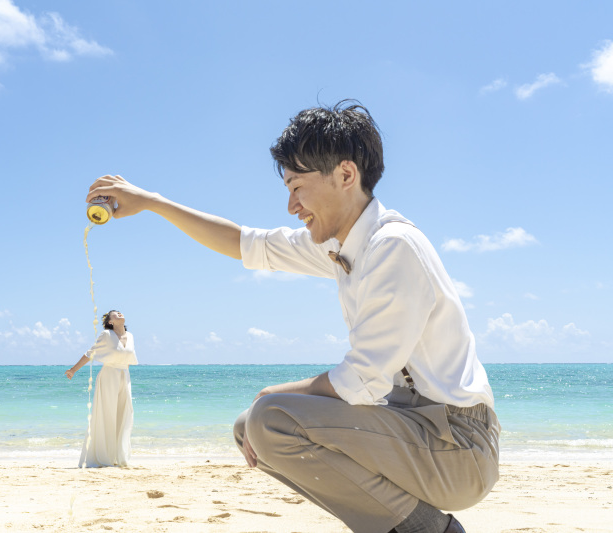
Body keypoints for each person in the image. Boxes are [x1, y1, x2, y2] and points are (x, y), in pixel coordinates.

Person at [85, 100, 499, 533]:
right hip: (416, 425)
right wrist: (151, 203)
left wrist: (271, 393)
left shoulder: (392, 246)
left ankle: (432, 530)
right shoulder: (345, 245)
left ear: (346, 175)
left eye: (297, 187)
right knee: (250, 427)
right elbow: (244, 243)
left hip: (458, 444)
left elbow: (361, 381)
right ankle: (413, 525)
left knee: (270, 418)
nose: (291, 205)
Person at [66, 310, 138, 468]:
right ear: (110, 321)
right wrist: (73, 370)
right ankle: (104, 457)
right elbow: (90, 353)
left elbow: (127, 359)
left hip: (125, 376)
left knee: (125, 415)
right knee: (108, 415)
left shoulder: (130, 336)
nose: (119, 313)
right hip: (109, 376)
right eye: (115, 314)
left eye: (120, 312)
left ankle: (119, 456)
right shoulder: (106, 334)